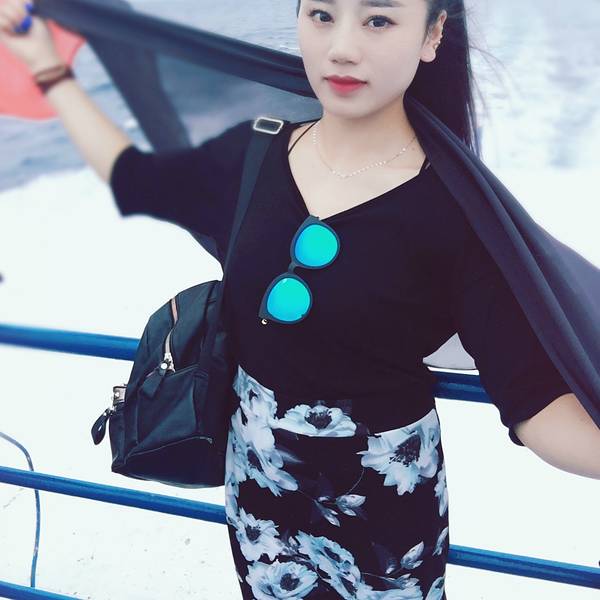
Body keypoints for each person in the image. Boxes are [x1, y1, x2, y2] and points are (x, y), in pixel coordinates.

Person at [0, 1, 579, 598]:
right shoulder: (253, 154)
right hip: (257, 485)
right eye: (322, 15)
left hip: (384, 508)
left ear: (432, 35)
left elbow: (534, 401)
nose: (342, 48)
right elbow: (135, 178)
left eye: (378, 20)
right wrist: (50, 69)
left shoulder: (457, 212)